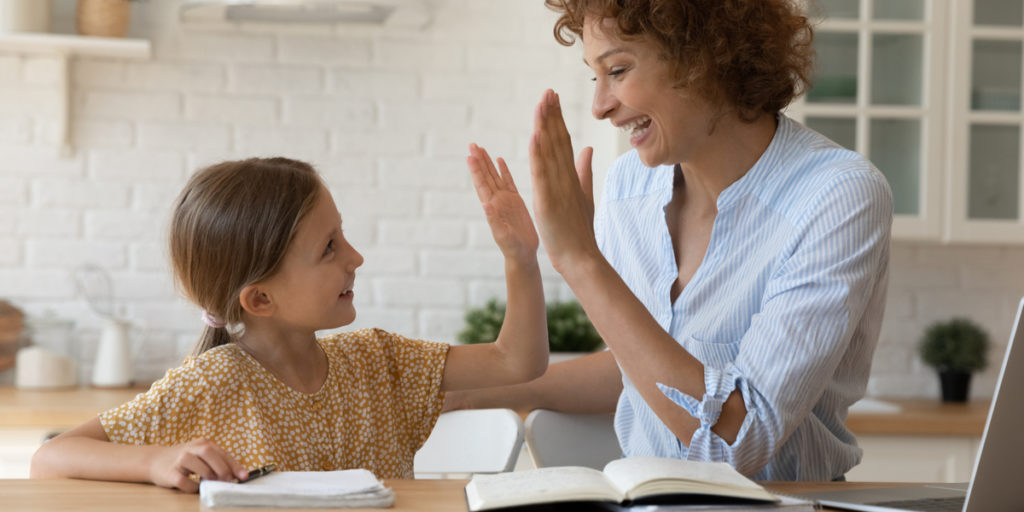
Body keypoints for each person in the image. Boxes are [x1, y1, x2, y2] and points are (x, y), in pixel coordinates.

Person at [446, 0, 892, 481]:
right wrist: (479, 394)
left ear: (704, 57)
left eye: (617, 69)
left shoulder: (837, 194)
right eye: (593, 77)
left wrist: (579, 260)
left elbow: (737, 441)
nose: (600, 105)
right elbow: (639, 369)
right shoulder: (627, 188)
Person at [30, 152, 548, 491]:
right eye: (329, 248)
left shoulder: (380, 360)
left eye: (342, 235)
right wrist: (153, 462)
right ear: (260, 300)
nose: (356, 257)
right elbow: (52, 458)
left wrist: (520, 258)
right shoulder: (211, 384)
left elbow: (517, 361)